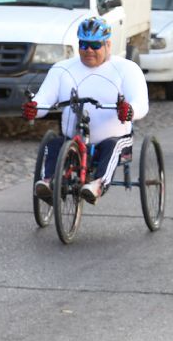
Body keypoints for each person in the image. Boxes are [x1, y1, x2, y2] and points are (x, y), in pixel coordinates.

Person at [23, 16, 148, 204]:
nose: (88, 50)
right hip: (73, 137)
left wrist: (129, 111)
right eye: (83, 44)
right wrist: (34, 108)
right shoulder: (62, 69)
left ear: (108, 45)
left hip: (114, 138)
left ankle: (98, 184)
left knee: (111, 146)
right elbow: (44, 99)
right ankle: (48, 182)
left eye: (95, 45)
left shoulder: (127, 69)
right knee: (54, 144)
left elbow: (141, 103)